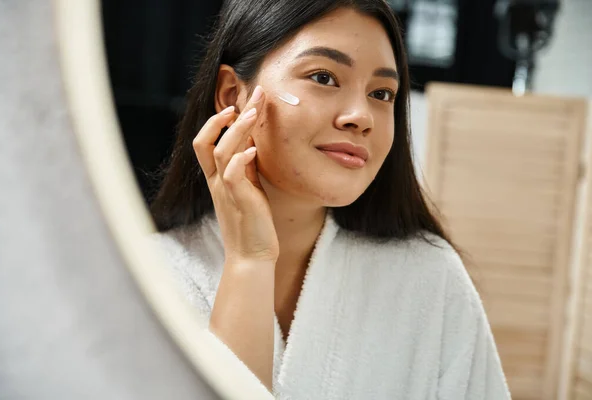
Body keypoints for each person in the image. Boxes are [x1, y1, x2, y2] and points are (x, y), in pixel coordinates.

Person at [149, 0, 511, 398]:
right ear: (233, 94)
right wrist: (249, 261)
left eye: (382, 93)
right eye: (323, 77)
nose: (362, 116)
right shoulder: (146, 275)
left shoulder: (430, 278)